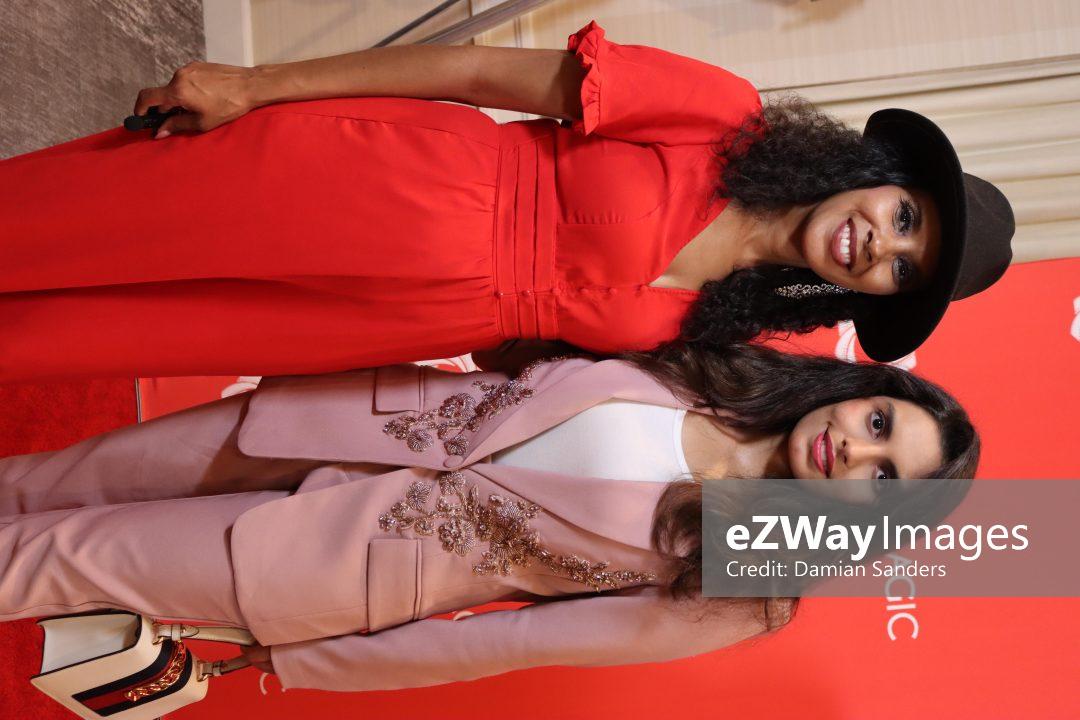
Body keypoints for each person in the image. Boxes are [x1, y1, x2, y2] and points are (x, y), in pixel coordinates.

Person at [0, 21, 1013, 382]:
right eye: (907, 219)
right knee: (59, 228)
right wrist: (258, 87)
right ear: (883, 175)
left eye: (900, 270)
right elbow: (482, 71)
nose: (878, 244)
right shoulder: (727, 118)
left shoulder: (726, 325)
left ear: (871, 295)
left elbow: (520, 361)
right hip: (384, 184)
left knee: (85, 338)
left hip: (393, 318)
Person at [0, 346, 977, 691]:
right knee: (50, 480)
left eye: (885, 479)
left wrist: (305, 660)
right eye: (877, 423)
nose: (856, 451)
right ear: (860, 392)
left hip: (335, 562)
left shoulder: (740, 590)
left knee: (59, 559)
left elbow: (510, 644)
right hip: (339, 418)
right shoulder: (722, 369)